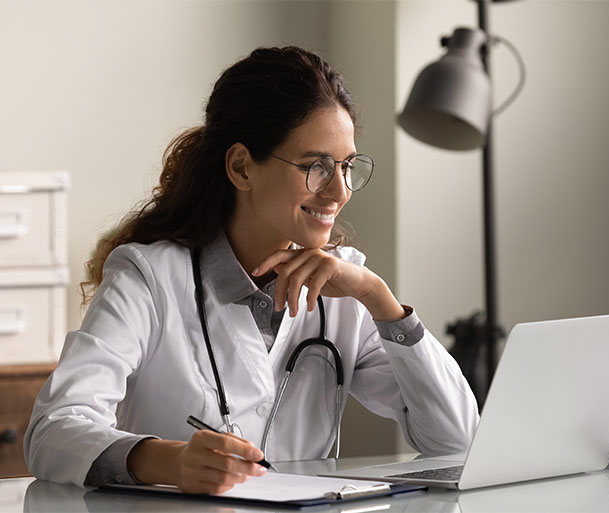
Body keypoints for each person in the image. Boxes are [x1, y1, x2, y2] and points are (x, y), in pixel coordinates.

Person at [24, 46, 479, 494]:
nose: (339, 191)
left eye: (346, 167)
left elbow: (457, 442)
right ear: (242, 167)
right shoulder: (150, 276)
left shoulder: (348, 290)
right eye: (315, 166)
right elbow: (53, 430)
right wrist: (172, 461)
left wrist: (380, 301)